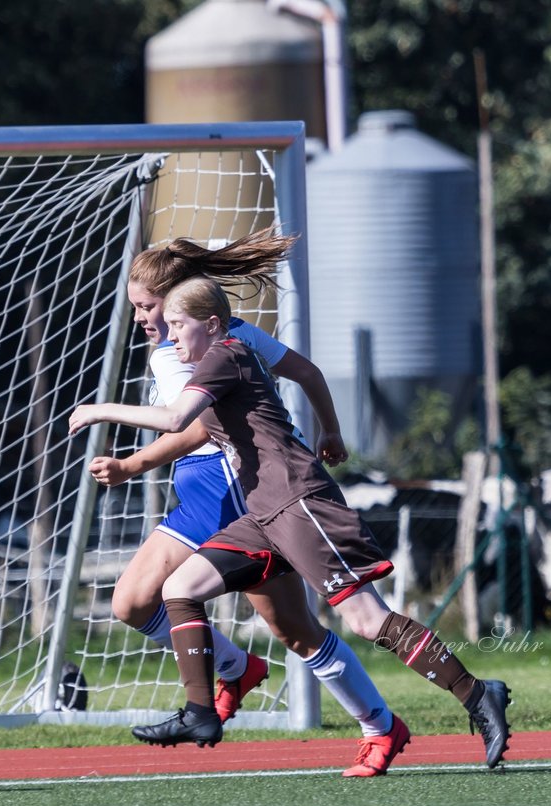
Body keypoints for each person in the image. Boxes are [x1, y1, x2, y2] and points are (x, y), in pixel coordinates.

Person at [69, 229, 512, 769]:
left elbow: (180, 422)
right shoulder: (217, 344)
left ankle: (473, 693)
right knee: (183, 589)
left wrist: (105, 418)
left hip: (295, 500)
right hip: (261, 507)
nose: (155, 326)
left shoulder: (220, 351)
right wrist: (330, 430)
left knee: (366, 621)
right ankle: (201, 707)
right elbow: (292, 378)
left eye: (157, 312)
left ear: (200, 317)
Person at [89, 251, 406, 776]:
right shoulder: (219, 333)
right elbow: (304, 372)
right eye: (137, 309)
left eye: (147, 307)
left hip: (234, 489)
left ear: (175, 301)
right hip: (199, 494)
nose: (143, 319)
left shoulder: (189, 349)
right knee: (132, 602)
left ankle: (378, 724)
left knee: (297, 631)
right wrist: (329, 429)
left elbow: (196, 428)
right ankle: (236, 669)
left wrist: (133, 463)